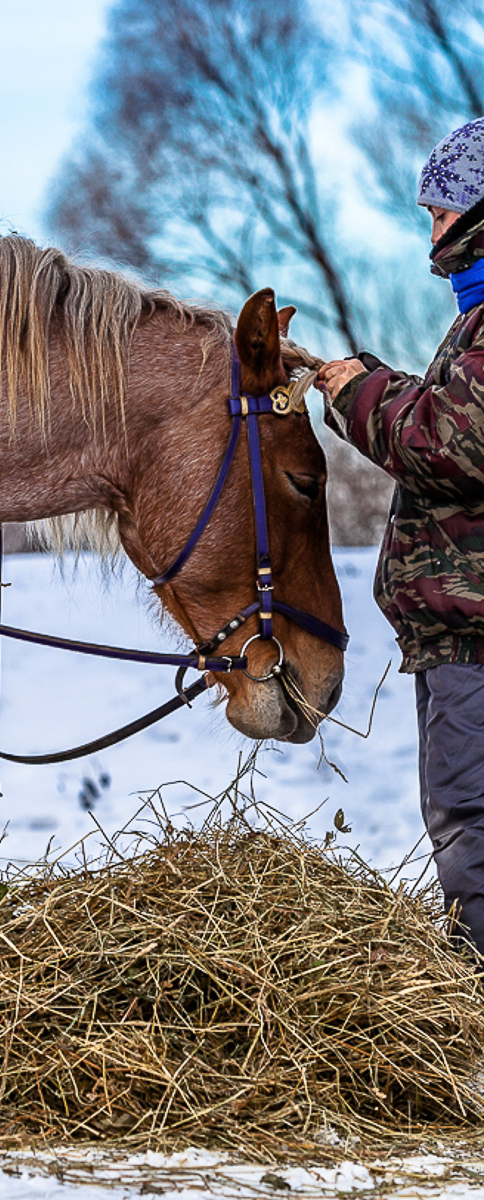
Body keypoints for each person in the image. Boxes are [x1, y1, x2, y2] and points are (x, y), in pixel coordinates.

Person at [317, 117, 484, 959]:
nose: (433, 233)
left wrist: (356, 393)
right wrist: (357, 379)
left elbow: (450, 442)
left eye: (442, 213)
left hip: (477, 644)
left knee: (474, 826)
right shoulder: (475, 325)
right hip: (460, 640)